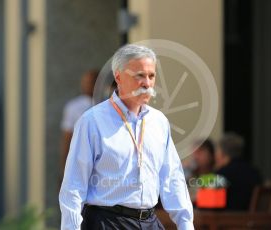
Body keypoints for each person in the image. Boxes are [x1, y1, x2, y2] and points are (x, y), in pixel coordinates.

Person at [59, 44, 194, 230]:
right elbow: (74, 184)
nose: (147, 83)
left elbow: (172, 178)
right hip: (107, 222)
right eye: (139, 75)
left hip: (150, 221)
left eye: (151, 76)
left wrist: (186, 224)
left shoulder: (159, 122)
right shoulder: (92, 121)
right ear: (119, 77)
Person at [60, 70, 98, 178]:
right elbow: (67, 139)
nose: (87, 85)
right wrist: (64, 170)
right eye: (85, 82)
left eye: (91, 82)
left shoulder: (110, 105)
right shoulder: (73, 107)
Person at [214, 132, 261, 210]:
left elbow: (211, 205)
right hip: (252, 220)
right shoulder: (254, 172)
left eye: (217, 151)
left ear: (222, 153)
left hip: (228, 219)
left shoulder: (222, 174)